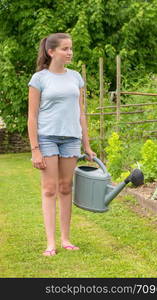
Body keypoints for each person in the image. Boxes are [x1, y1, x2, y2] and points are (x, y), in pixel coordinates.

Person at [27, 32, 96, 256]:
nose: (70, 52)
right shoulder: (39, 79)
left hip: (71, 139)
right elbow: (32, 117)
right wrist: (35, 149)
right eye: (65, 49)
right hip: (47, 138)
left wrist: (87, 145)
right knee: (49, 189)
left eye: (71, 48)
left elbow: (81, 113)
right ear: (51, 52)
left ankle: (66, 239)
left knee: (66, 188)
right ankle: (50, 243)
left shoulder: (76, 77)